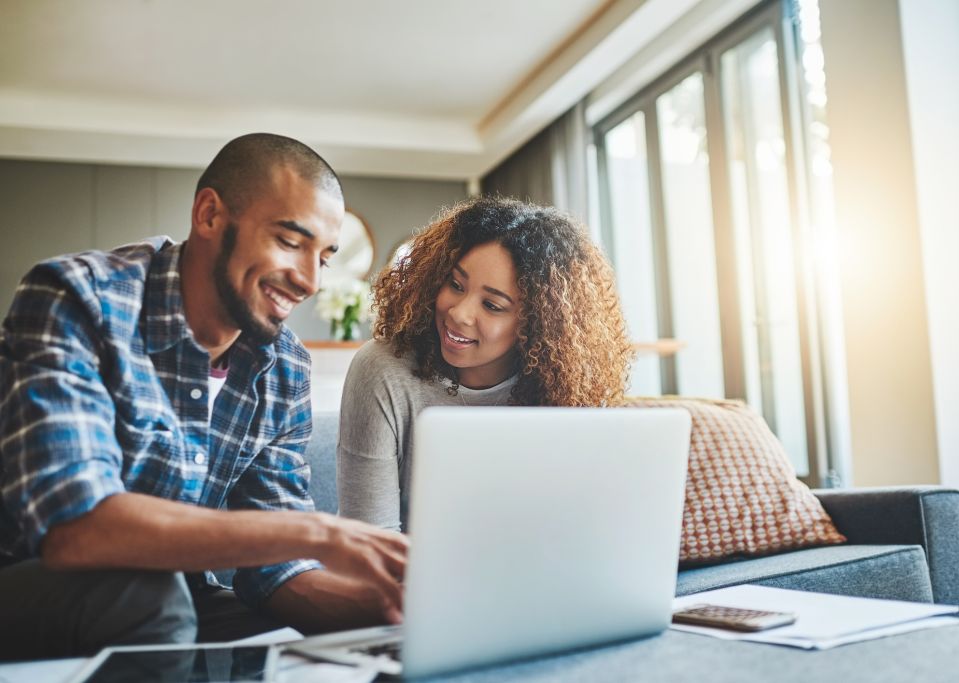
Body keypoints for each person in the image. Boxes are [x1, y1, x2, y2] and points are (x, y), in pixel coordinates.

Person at [0, 133, 408, 661]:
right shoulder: (76, 298)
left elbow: (274, 571)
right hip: (31, 580)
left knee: (286, 643)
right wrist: (318, 532)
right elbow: (75, 528)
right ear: (210, 215)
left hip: (174, 598)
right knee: (152, 597)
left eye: (324, 257)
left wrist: (390, 609)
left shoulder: (284, 366)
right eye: (289, 241)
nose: (309, 281)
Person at [337, 196, 633, 532]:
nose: (459, 313)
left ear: (536, 323)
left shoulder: (567, 388)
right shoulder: (383, 370)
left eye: (492, 305)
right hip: (405, 577)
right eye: (455, 284)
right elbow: (369, 541)